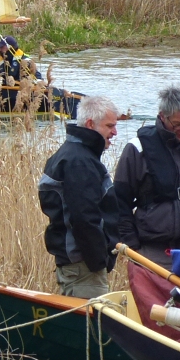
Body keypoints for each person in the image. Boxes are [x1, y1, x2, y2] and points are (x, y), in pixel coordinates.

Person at [113, 85, 180, 270]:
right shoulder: (137, 149)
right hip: (151, 252)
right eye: (178, 125)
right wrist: (132, 246)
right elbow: (119, 202)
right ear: (162, 116)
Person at [38, 94, 120, 299]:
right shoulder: (79, 162)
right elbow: (84, 218)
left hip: (77, 265)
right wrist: (99, 261)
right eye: (109, 126)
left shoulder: (73, 154)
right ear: (91, 124)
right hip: (83, 268)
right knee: (91, 320)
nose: (115, 132)